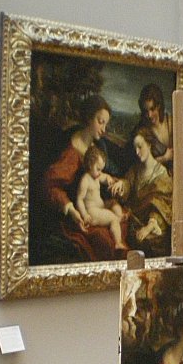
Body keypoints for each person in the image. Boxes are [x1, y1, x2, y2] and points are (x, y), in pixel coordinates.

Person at [41, 94, 127, 262]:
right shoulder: (71, 152)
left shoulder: (98, 146)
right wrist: (72, 210)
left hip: (98, 206)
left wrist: (121, 183)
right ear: (88, 118)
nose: (104, 129)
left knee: (120, 222)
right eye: (100, 122)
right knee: (104, 242)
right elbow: (50, 185)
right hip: (80, 215)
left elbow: (113, 172)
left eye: (106, 124)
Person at [111, 126, 173, 257]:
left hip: (154, 225)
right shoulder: (135, 170)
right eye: (135, 148)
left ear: (149, 145)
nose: (137, 152)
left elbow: (162, 206)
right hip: (134, 221)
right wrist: (122, 184)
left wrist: (150, 225)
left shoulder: (162, 175)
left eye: (140, 147)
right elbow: (128, 184)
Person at [75, 146, 127, 251]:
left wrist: (109, 179)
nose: (100, 172)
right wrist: (85, 215)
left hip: (100, 206)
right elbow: (79, 200)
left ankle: (119, 216)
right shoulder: (85, 180)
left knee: (113, 203)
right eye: (98, 169)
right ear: (90, 165)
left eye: (101, 169)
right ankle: (118, 242)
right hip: (92, 212)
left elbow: (105, 177)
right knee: (113, 219)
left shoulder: (96, 175)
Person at [136, 83, 174, 169]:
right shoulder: (142, 131)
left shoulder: (172, 122)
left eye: (152, 109)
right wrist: (165, 158)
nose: (149, 115)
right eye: (146, 111)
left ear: (159, 106)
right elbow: (142, 165)